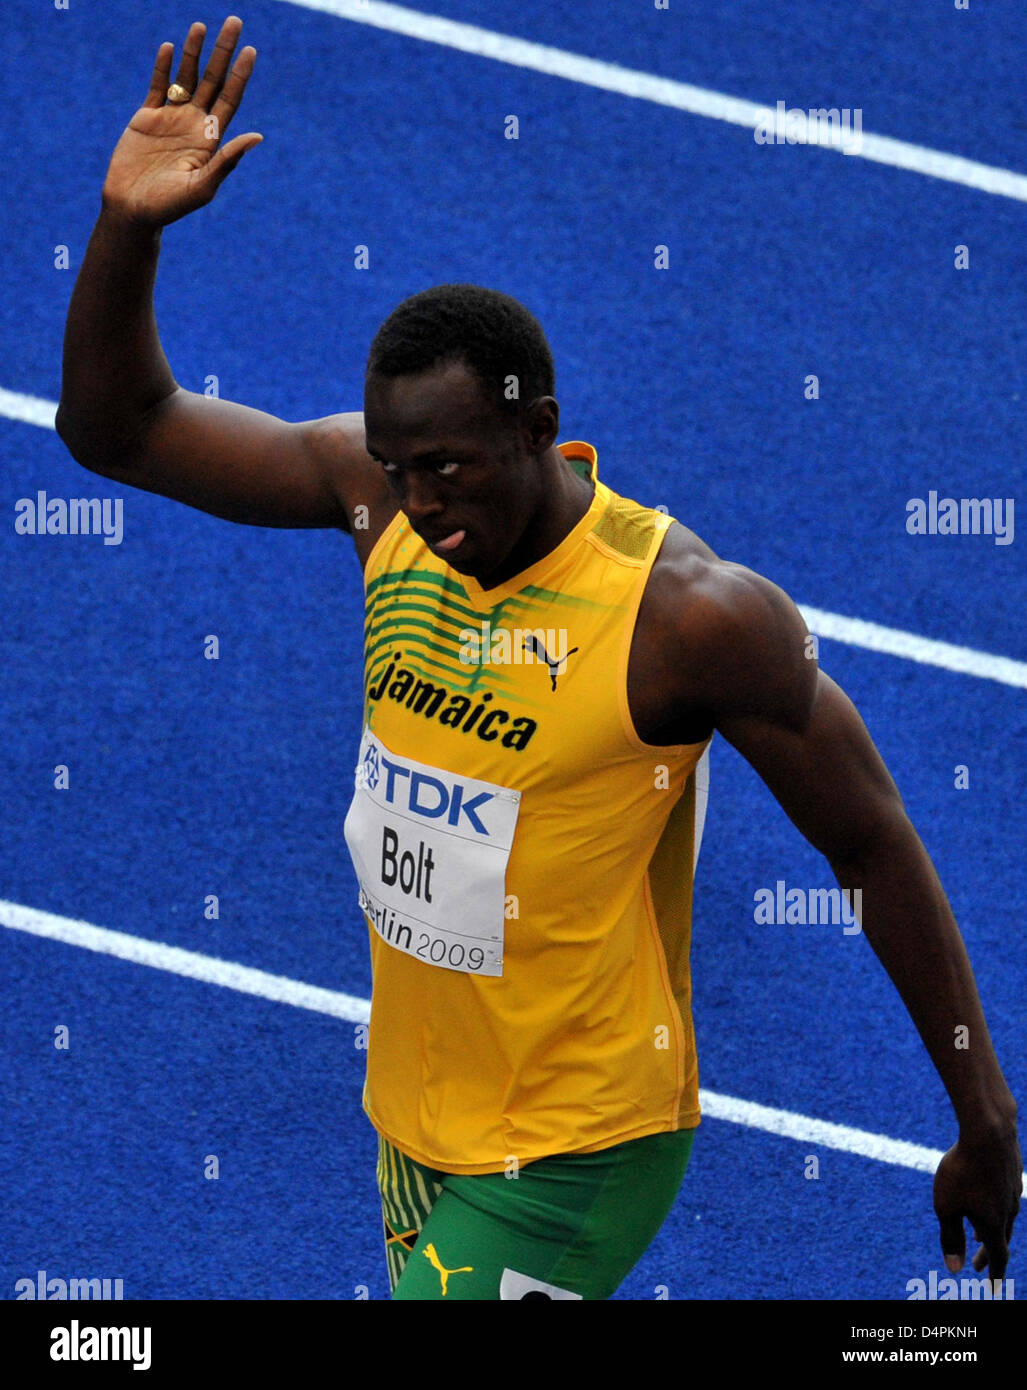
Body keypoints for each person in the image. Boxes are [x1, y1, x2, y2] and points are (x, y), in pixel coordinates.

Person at [56, 14, 1020, 1301]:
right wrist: (128, 227)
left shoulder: (688, 619)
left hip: (576, 1141)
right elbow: (119, 431)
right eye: (399, 469)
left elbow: (867, 841)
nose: (420, 502)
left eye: (449, 467)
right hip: (414, 1106)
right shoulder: (377, 501)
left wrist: (984, 1116)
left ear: (540, 432)